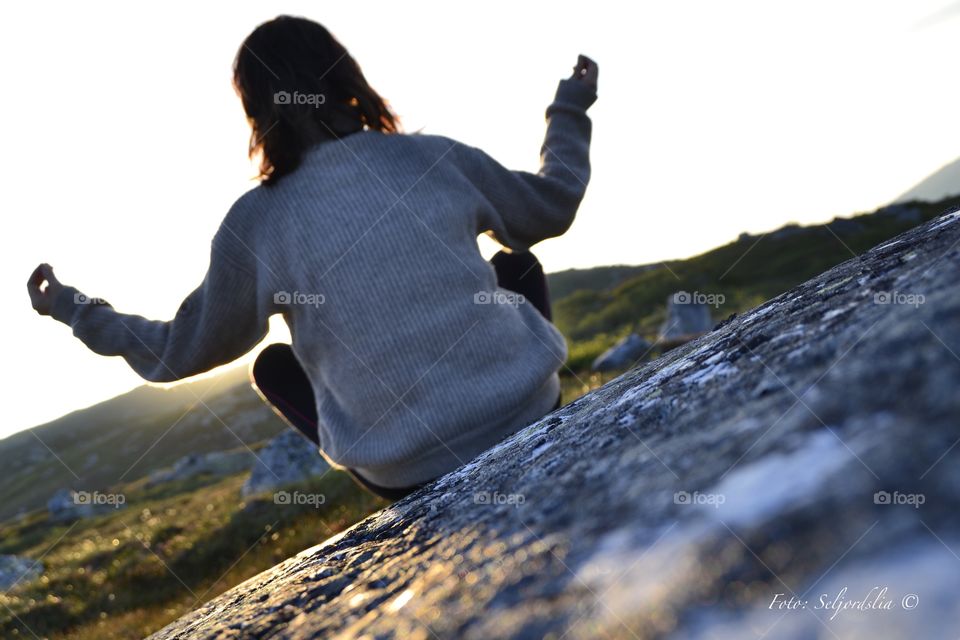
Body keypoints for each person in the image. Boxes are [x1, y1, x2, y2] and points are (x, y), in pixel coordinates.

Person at [27, 15, 598, 501]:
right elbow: (553, 204)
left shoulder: (256, 222)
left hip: (408, 470)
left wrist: (75, 309)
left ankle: (399, 453)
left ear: (255, 109)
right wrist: (568, 109)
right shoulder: (434, 158)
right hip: (529, 411)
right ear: (346, 75)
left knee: (272, 367)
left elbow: (177, 352)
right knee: (515, 267)